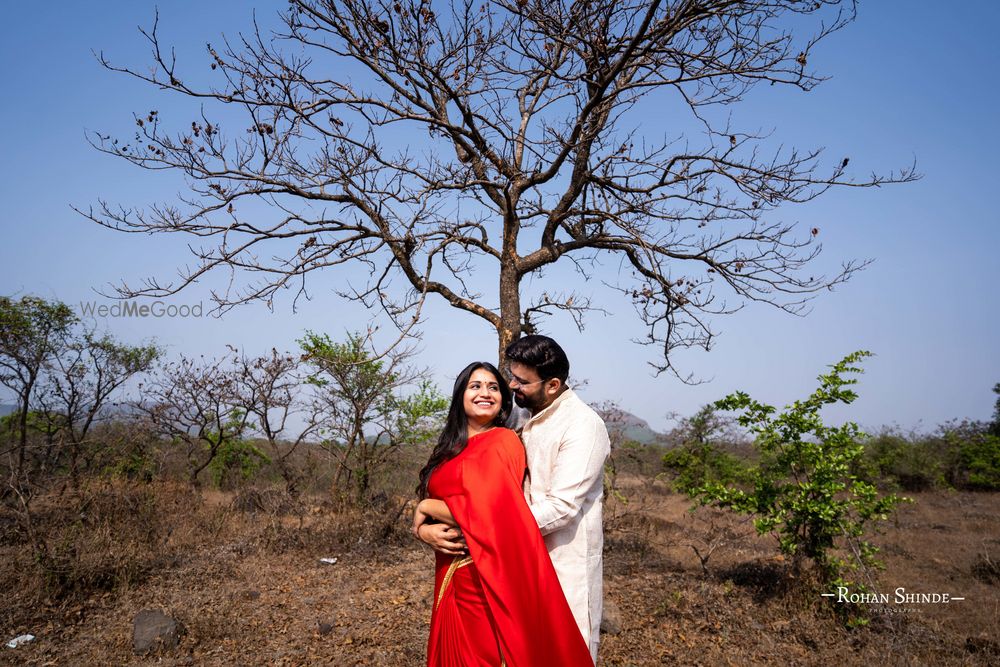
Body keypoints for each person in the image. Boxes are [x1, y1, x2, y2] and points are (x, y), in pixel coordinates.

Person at [417, 337, 611, 664]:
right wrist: (428, 528)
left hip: (562, 566)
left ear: (552, 385)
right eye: (512, 376)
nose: (511, 386)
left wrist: (480, 527)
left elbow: (561, 509)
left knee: (561, 653)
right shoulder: (521, 419)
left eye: (521, 381)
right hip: (503, 562)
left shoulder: (583, 426)